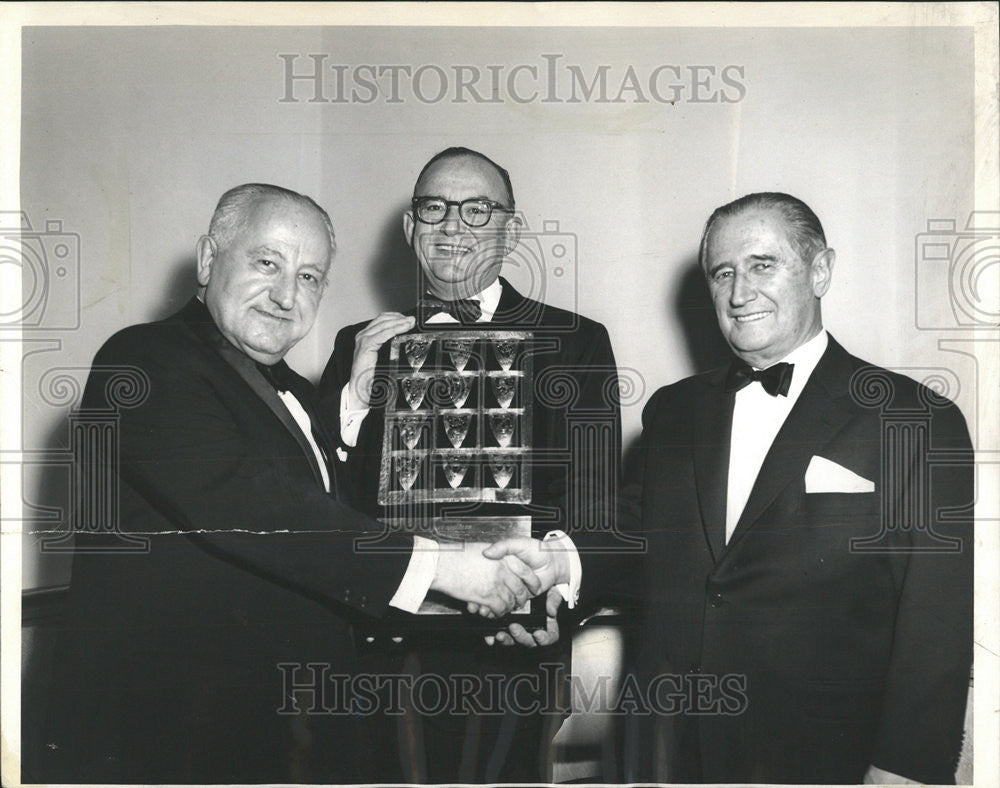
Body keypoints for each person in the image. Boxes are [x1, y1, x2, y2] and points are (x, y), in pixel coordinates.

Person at [32, 184, 543, 784]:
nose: (284, 295)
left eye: (308, 277)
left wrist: (352, 402)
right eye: (266, 263)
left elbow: (334, 507)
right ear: (206, 260)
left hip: (280, 730)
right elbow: (258, 507)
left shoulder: (297, 391)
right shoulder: (144, 359)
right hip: (168, 738)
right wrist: (446, 569)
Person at [618, 193, 974, 783]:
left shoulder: (914, 418)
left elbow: (935, 617)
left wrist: (907, 766)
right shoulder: (672, 411)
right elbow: (634, 543)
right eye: (723, 272)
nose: (738, 293)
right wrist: (558, 581)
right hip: (670, 752)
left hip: (829, 759)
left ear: (820, 271)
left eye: (763, 264)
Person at [319, 147, 624, 782]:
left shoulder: (576, 341)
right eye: (434, 208)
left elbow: (594, 500)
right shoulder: (358, 344)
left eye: (478, 210)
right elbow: (324, 501)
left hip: (510, 651)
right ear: (411, 228)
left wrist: (553, 606)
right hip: (379, 648)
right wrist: (352, 400)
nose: (453, 225)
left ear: (511, 231)